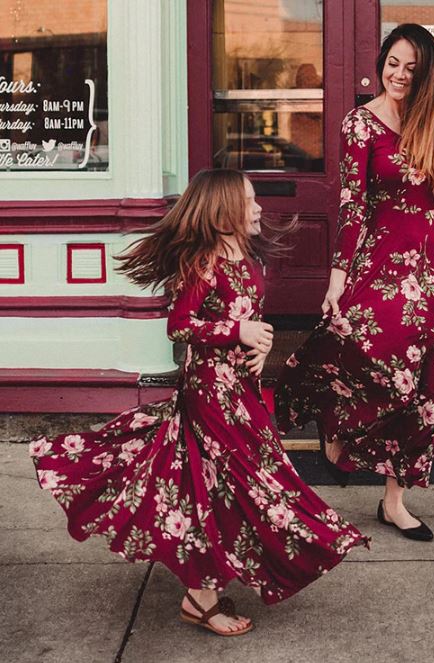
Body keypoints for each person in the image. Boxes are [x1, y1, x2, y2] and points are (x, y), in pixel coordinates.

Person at [29, 169, 368, 637]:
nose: (259, 209)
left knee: (222, 484)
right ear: (225, 211)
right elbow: (179, 326)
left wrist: (260, 343)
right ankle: (203, 596)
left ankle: (206, 587)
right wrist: (237, 332)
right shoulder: (203, 262)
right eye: (249, 202)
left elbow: (249, 317)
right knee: (227, 485)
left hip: (241, 391)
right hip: (211, 393)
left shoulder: (247, 258)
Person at [275, 24, 434, 542]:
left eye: (410, 68)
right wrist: (337, 277)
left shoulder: (433, 124)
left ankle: (395, 498)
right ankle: (337, 421)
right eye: (393, 63)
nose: (398, 74)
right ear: (381, 65)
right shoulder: (360, 125)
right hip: (385, 265)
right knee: (379, 359)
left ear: (425, 76)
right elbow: (351, 205)